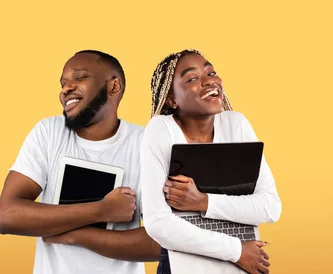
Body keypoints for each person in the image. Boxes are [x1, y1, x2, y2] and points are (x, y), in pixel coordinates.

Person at [0, 50, 161, 274]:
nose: (66, 89)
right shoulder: (49, 132)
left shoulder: (145, 144)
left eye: (80, 77)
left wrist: (74, 235)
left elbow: (163, 241)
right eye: (63, 83)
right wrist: (100, 211)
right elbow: (6, 215)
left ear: (114, 86)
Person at [141, 49, 282, 274]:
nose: (209, 81)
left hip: (245, 258)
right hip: (187, 262)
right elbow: (158, 223)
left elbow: (270, 207)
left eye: (211, 72)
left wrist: (203, 202)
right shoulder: (160, 130)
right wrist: (236, 251)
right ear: (171, 99)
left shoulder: (237, 125)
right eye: (192, 78)